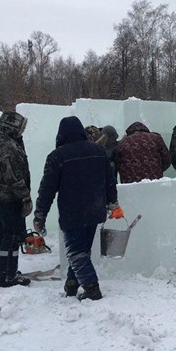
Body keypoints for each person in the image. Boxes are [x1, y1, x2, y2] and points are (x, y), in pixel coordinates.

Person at [33, 116, 120, 301]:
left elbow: (46, 190)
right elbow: (110, 180)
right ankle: (72, 285)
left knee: (75, 252)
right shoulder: (98, 150)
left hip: (72, 212)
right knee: (83, 251)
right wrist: (113, 203)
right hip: (96, 209)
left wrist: (40, 215)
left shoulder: (57, 156)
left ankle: (91, 288)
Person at [0, 111, 32, 288]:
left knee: (1, 232)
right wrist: (24, 195)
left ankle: (0, 271)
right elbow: (12, 174)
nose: (23, 130)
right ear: (13, 126)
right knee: (12, 235)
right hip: (8, 197)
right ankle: (8, 275)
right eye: (21, 126)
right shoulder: (8, 145)